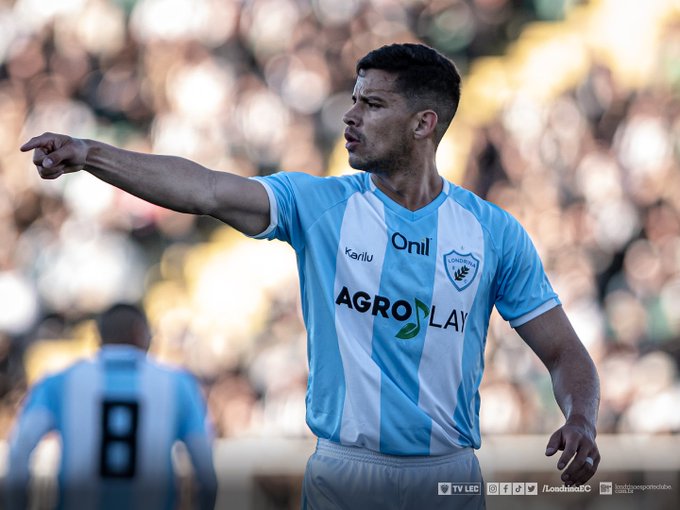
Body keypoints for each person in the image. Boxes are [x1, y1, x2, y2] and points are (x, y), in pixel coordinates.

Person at [20, 43, 600, 509]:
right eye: (353, 99)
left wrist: (580, 419)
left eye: (372, 105)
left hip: (447, 478)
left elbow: (565, 354)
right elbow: (204, 188)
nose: (349, 116)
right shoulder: (318, 204)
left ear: (425, 123)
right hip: (343, 471)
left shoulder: (492, 233)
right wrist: (91, 155)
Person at [5, 303, 217, 510]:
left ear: (99, 336)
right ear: (141, 334)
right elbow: (206, 472)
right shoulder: (178, 384)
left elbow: (19, 453)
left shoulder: (59, 382)